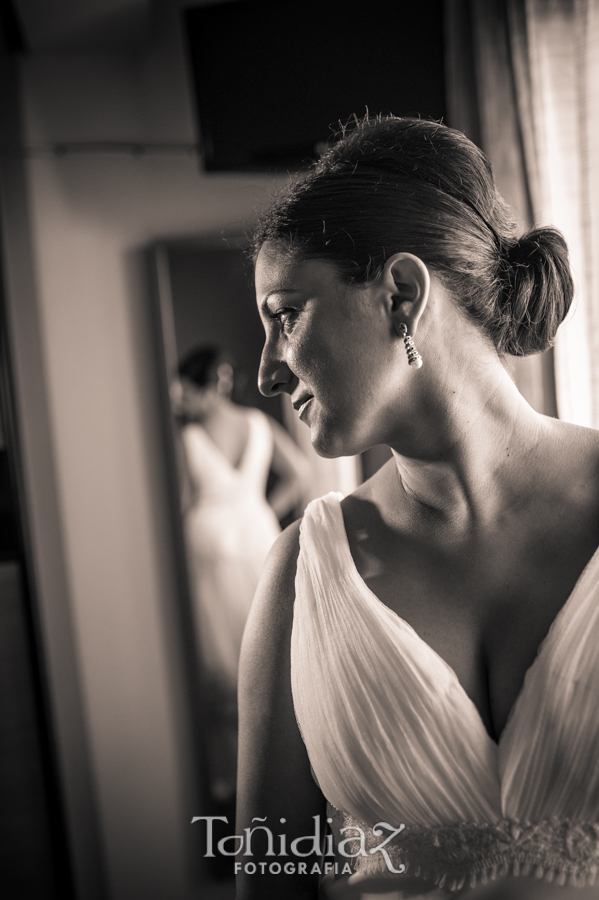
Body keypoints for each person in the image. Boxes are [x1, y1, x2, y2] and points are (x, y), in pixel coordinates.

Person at [236, 116, 599, 900]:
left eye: (284, 315)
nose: (265, 373)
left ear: (400, 295)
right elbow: (269, 882)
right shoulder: (301, 578)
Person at [174, 345, 309, 805]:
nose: (180, 402)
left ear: (207, 387)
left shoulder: (186, 439)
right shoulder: (258, 425)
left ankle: (241, 783)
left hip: (214, 557)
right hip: (256, 542)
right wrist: (258, 510)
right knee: (269, 658)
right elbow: (300, 471)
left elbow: (179, 504)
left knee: (228, 670)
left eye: (185, 392)